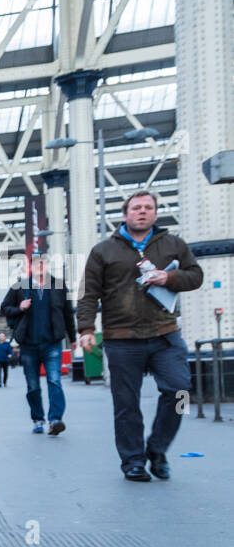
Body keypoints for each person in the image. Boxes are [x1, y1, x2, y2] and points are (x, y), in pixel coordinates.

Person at [76, 190, 203, 481]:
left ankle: (158, 448)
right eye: (136, 208)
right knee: (126, 404)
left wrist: (169, 277)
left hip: (165, 335)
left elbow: (196, 276)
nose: (142, 212)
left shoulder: (173, 244)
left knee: (180, 390)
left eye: (148, 207)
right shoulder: (103, 251)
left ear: (155, 214)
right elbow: (88, 294)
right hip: (121, 339)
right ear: (125, 214)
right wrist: (85, 329)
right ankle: (133, 461)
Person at [1, 255, 75, 434]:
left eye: (44, 262)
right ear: (31, 267)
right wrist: (20, 307)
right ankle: (37, 419)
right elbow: (4, 308)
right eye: (36, 263)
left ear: (48, 265)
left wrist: (72, 338)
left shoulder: (58, 285)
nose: (40, 266)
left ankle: (55, 419)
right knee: (33, 385)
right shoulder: (20, 285)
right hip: (28, 344)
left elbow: (67, 313)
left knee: (55, 381)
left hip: (52, 343)